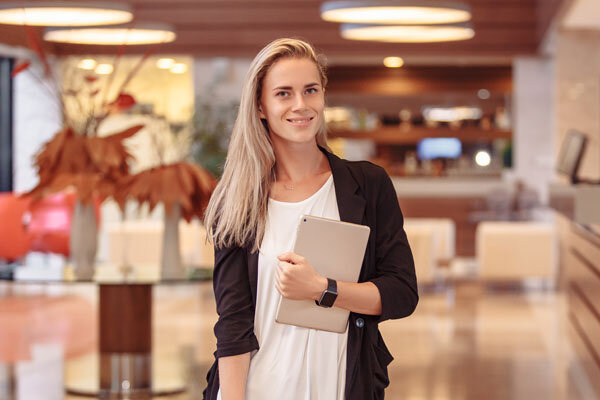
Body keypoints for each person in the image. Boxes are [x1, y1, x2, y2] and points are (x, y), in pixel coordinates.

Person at [203, 38, 418, 400]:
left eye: (311, 90)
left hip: (338, 383)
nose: (300, 105)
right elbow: (233, 324)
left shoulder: (367, 185)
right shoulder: (236, 199)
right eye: (284, 94)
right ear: (261, 106)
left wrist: (323, 289)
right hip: (259, 386)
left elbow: (402, 293)